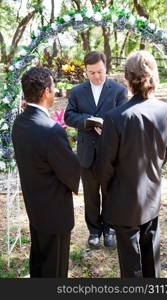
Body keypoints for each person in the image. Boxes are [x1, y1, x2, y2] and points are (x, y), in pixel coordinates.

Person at [97, 50, 167, 277]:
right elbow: (165, 153)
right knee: (152, 253)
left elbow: (105, 165)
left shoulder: (115, 117)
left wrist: (107, 190)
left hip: (123, 197)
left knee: (131, 263)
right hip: (151, 191)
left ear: (127, 79)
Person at [12, 67, 80, 278]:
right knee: (55, 269)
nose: (56, 89)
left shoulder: (19, 123)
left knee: (39, 260)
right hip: (55, 211)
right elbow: (70, 171)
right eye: (53, 86)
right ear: (45, 93)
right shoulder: (51, 130)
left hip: (35, 206)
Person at [64, 51, 128, 249]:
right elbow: (68, 116)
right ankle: (94, 231)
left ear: (105, 67)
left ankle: (109, 229)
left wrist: (108, 127)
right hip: (87, 152)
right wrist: (86, 122)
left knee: (109, 192)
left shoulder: (119, 90)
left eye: (100, 71)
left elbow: (125, 116)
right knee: (91, 195)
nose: (96, 76)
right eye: (91, 73)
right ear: (85, 71)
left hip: (111, 151)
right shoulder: (76, 92)